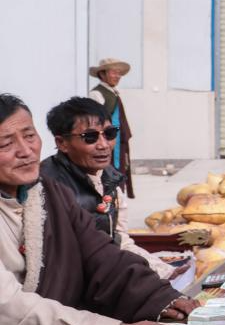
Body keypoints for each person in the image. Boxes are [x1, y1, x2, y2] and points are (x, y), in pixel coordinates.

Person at [0, 94, 198, 325]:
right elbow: (9, 308)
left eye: (29, 136)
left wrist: (159, 297)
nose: (25, 151)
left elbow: (101, 255)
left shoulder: (51, 194)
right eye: (6, 144)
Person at [39, 97, 186, 281]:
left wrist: (161, 269)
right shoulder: (47, 188)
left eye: (109, 134)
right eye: (90, 137)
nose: (104, 145)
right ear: (62, 143)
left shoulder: (109, 178)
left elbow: (118, 240)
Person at [88, 58, 135, 198]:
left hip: (118, 139)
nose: (118, 76)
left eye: (119, 73)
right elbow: (96, 121)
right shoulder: (96, 94)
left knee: (120, 168)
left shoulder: (113, 92)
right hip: (107, 139)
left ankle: (119, 198)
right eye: (114, 72)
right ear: (102, 74)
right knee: (107, 170)